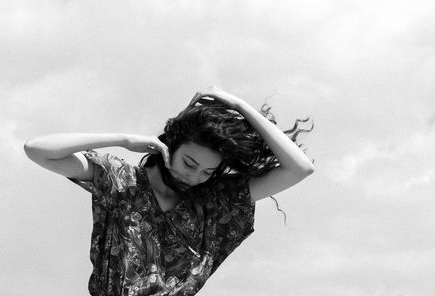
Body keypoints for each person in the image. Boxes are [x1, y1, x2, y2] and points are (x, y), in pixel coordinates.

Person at [24, 86, 315, 296]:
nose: (195, 176)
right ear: (171, 144)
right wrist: (123, 140)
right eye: (189, 163)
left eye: (207, 172)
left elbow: (299, 168)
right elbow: (37, 150)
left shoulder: (216, 202)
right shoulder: (121, 180)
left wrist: (241, 107)